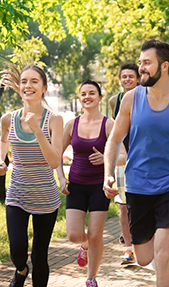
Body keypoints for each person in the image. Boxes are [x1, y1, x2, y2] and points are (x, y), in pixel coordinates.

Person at [103, 40, 169, 287]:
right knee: (144, 258)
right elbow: (115, 139)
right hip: (138, 186)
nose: (141, 68)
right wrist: (108, 173)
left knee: (163, 254)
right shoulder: (131, 99)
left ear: (164, 66)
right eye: (140, 62)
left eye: (146, 63)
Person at [0, 63, 64, 287]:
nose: (28, 85)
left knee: (39, 257)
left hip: (45, 198)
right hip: (17, 193)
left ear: (44, 88)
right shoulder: (8, 119)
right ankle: (21, 271)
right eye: (24, 81)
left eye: (34, 81)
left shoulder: (54, 120)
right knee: (16, 249)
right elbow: (3, 140)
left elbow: (55, 161)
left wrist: (37, 130)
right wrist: (1, 159)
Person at [56, 80, 113, 287]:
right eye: (83, 94)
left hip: (100, 186)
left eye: (92, 93)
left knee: (96, 235)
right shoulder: (72, 124)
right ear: (79, 98)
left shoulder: (109, 124)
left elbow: (124, 154)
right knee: (73, 235)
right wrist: (61, 178)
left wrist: (106, 156)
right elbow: (57, 155)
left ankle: (91, 279)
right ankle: (85, 246)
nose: (87, 97)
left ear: (99, 97)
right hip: (77, 185)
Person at [108, 63, 140, 266]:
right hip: (123, 161)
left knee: (143, 205)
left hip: (145, 160)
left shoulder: (146, 98)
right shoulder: (115, 101)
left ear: (138, 79)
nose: (127, 79)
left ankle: (146, 244)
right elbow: (115, 133)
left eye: (131, 76)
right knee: (124, 207)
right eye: (124, 76)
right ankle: (128, 249)